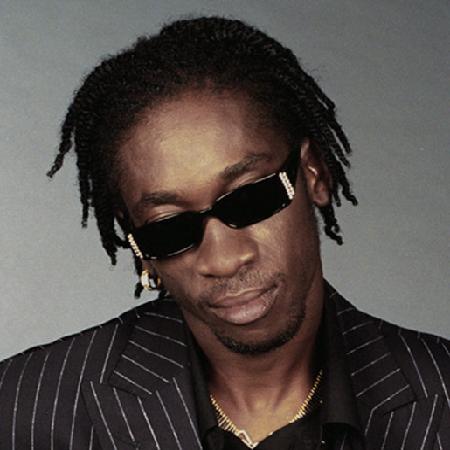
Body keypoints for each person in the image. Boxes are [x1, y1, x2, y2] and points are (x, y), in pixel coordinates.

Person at [0, 16, 448, 450]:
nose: (223, 259)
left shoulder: (441, 395)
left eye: (248, 200)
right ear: (136, 242)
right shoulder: (24, 407)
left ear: (314, 172)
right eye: (169, 228)